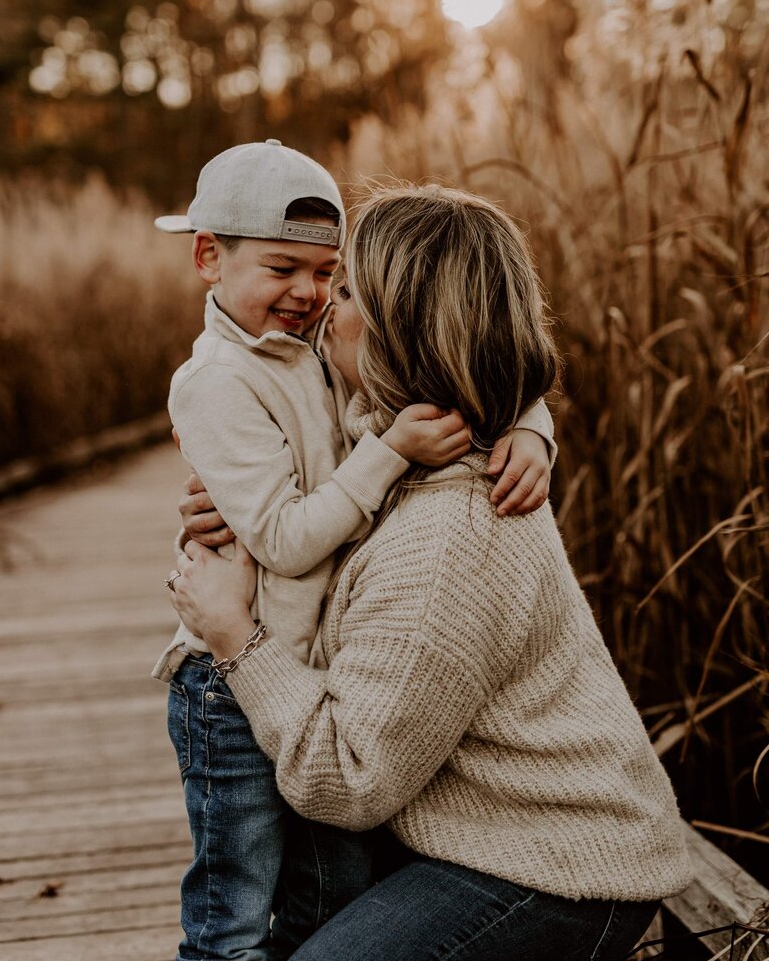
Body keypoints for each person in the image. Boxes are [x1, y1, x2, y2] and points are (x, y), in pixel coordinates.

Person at [168, 183, 693, 961]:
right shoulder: (393, 442)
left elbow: (347, 781)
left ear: (397, 332)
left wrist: (236, 637)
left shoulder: (447, 539)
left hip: (556, 865)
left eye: (344, 289)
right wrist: (529, 421)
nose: (321, 307)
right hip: (469, 823)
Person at [152, 144, 557, 961]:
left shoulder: (312, 349)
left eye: (328, 276)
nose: (308, 294)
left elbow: (465, 364)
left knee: (326, 906)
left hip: (314, 685)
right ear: (208, 257)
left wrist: (529, 427)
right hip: (234, 691)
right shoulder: (215, 384)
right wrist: (392, 452)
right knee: (232, 914)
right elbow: (285, 540)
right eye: (281, 268)